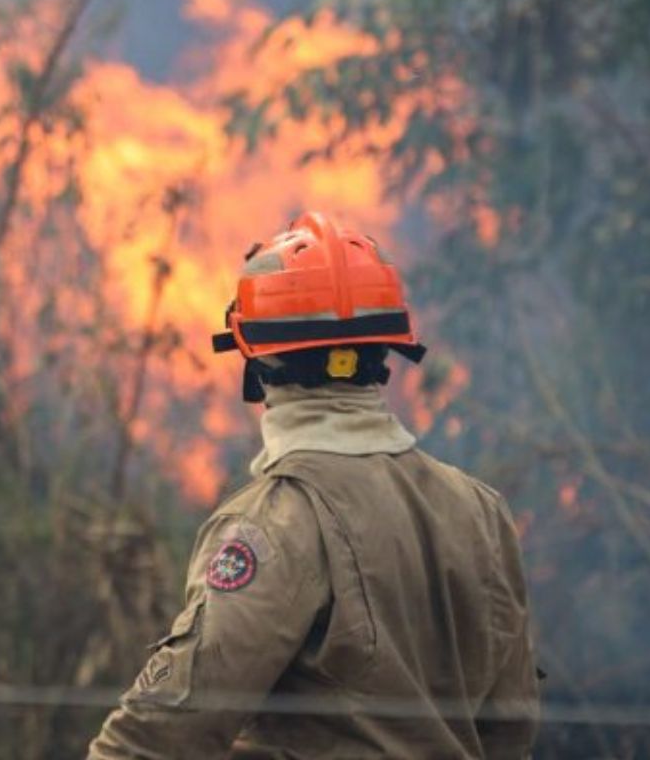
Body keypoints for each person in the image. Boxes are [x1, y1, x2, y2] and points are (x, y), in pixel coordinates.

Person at [88, 212, 539, 759]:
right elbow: (511, 728)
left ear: (258, 357)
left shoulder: (273, 525)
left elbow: (164, 731)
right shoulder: (479, 511)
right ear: (386, 353)